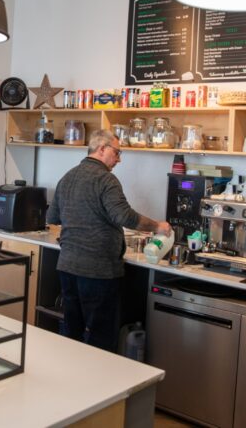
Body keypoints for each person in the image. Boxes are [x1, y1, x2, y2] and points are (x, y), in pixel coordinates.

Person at [47, 129, 171, 352]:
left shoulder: (67, 176)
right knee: (101, 337)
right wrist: (157, 226)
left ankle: (71, 380)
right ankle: (100, 383)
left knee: (71, 332)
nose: (119, 159)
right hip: (97, 270)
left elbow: (53, 218)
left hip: (67, 266)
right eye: (117, 152)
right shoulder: (106, 179)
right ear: (102, 149)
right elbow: (125, 216)